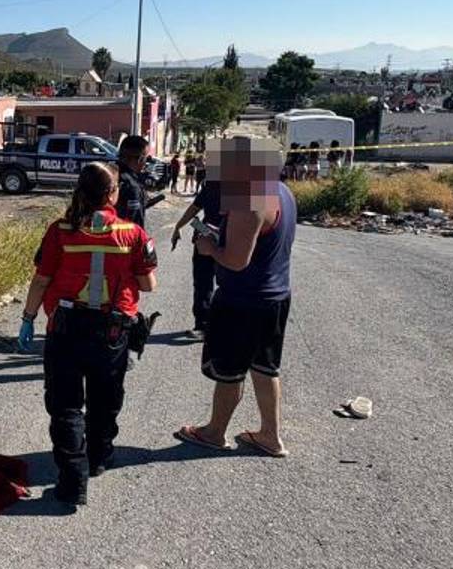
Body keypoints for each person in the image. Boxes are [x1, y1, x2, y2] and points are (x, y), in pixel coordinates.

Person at [18, 162, 158, 508]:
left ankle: (73, 480)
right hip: (111, 331)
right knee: (105, 398)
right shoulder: (133, 233)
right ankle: (98, 458)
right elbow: (148, 284)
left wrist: (28, 318)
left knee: (66, 404)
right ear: (113, 193)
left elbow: (41, 280)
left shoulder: (60, 230)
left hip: (66, 328)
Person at [174, 136, 296, 458]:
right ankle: (270, 435)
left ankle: (214, 432)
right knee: (265, 366)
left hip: (244, 300)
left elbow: (237, 260)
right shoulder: (281, 192)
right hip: (275, 296)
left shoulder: (249, 198)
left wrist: (209, 247)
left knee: (230, 371)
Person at [171, 178, 221, 340]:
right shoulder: (211, 184)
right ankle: (203, 325)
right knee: (202, 283)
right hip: (205, 235)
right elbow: (195, 207)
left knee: (230, 284)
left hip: (229, 239)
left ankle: (224, 324)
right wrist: (178, 226)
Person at [115, 134, 149, 229]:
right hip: (125, 240)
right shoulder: (131, 186)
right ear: (140, 159)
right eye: (146, 158)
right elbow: (134, 223)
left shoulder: (108, 175)